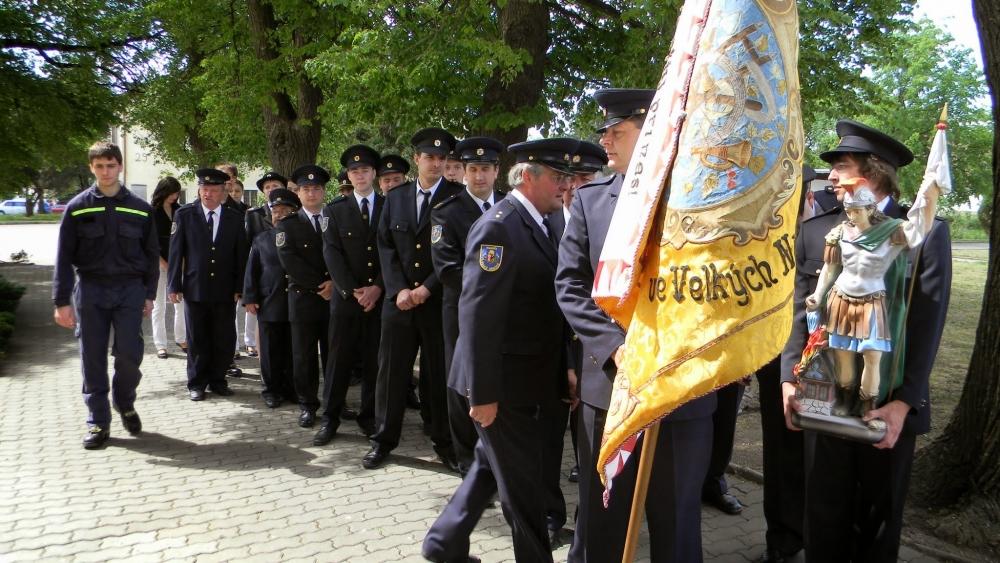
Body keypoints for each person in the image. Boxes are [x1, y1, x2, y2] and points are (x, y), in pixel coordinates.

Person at [556, 88, 717, 563]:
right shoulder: (590, 201)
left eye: (616, 131)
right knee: (603, 523)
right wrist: (615, 347)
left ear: (650, 133)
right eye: (604, 132)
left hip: (680, 388)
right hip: (610, 390)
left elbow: (719, 287)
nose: (604, 140)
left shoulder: (702, 200)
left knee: (677, 526)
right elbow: (570, 285)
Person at [781, 119, 951, 562]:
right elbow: (799, 309)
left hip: (887, 407)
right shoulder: (819, 231)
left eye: (842, 167)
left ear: (873, 172)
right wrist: (788, 378)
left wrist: (905, 402)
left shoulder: (922, 234)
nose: (832, 177)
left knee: (877, 524)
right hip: (823, 397)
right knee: (823, 517)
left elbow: (927, 324)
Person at [442, 138, 574, 563]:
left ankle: (443, 543)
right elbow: (478, 315)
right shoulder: (499, 227)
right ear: (528, 177)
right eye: (558, 176)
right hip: (501, 384)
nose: (565, 185)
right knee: (523, 490)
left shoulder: (546, 221)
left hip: (529, 378)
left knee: (489, 467)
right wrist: (482, 394)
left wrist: (566, 368)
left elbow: (549, 306)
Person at [364, 127, 463, 471]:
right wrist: (399, 289)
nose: (436, 163)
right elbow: (385, 245)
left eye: (441, 158)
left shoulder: (458, 198)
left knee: (439, 374)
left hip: (438, 302)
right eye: (429, 157)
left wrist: (427, 288)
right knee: (391, 373)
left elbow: (459, 252)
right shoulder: (396, 197)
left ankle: (444, 441)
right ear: (416, 159)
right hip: (400, 302)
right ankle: (383, 439)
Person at [53, 141, 159, 449]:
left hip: (130, 290)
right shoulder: (78, 207)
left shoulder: (140, 208)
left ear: (120, 166)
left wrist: (149, 294)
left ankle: (124, 401)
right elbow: (63, 257)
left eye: (110, 165)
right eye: (99, 166)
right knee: (92, 357)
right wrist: (61, 301)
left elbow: (151, 255)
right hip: (91, 289)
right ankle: (98, 420)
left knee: (129, 355)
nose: (105, 171)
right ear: (91, 168)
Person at [429, 136, 506, 474]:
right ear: (462, 171)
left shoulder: (511, 207)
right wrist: (495, 295)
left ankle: (499, 455)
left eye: (485, 169)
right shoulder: (446, 212)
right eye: (472, 169)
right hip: (461, 312)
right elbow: (447, 269)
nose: (479, 176)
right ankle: (467, 460)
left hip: (506, 315)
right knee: (462, 383)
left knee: (499, 378)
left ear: (497, 171)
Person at [755, 166, 816, 563]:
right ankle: (782, 539)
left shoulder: (830, 229)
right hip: (775, 358)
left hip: (826, 359)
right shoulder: (763, 235)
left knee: (820, 455)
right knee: (780, 453)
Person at [313, 145, 385, 445]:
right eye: (354, 171)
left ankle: (369, 418)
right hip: (346, 300)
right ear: (349, 175)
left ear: (374, 173)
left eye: (365, 170)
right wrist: (352, 290)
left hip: (379, 300)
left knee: (374, 363)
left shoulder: (389, 206)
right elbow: (331, 253)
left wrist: (378, 287)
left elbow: (395, 252)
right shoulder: (334, 210)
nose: (360, 175)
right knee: (338, 362)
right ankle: (330, 418)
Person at [168, 168, 249, 401]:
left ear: (223, 192)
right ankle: (196, 383)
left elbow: (241, 255)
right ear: (199, 190)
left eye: (213, 190)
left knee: (223, 338)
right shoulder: (185, 214)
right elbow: (176, 252)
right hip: (195, 287)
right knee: (197, 338)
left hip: (225, 289)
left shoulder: (235, 217)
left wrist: (240, 287)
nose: (208, 194)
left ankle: (218, 380)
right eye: (204, 189)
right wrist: (173, 285)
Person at [275, 164, 334, 428]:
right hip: (304, 299)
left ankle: (335, 402)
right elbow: (290, 261)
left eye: (316, 188)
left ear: (323, 191)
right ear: (298, 193)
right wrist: (323, 285)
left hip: (335, 298)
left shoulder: (335, 218)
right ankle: (308, 405)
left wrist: (335, 283)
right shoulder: (287, 225)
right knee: (304, 357)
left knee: (334, 355)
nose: (312, 193)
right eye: (306, 189)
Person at [243, 188, 299, 408]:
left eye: (285, 211)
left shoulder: (302, 236)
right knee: (269, 350)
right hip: (269, 302)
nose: (280, 215)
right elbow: (252, 270)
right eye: (276, 211)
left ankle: (291, 388)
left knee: (292, 350)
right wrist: (250, 297)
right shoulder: (262, 239)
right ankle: (271, 390)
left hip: (295, 302)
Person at [150, 176, 187, 359]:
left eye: (177, 193)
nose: (174, 196)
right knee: (159, 305)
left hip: (179, 263)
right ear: (163, 191)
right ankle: (161, 345)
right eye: (172, 193)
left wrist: (181, 263)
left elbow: (185, 239)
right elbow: (149, 242)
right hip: (158, 263)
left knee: (180, 302)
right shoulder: (151, 212)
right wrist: (163, 263)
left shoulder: (180, 211)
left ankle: (182, 339)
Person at [245, 171, 288, 243]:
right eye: (267, 187)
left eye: (275, 186)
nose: (271, 190)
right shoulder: (254, 215)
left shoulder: (293, 212)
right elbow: (247, 243)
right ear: (263, 192)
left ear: (283, 189)